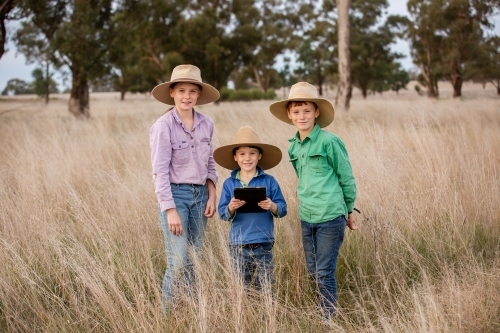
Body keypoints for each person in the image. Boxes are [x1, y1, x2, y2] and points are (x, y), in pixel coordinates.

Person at [269, 82, 357, 317]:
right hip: (307, 215)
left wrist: (348, 211)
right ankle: (321, 309)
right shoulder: (293, 147)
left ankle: (327, 318)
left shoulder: (329, 142)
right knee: (313, 270)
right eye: (296, 112)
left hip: (330, 214)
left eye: (307, 110)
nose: (302, 116)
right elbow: (302, 178)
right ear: (289, 114)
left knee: (324, 271)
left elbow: (346, 177)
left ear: (316, 112)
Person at [149, 64, 220, 308]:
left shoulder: (206, 123)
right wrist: (169, 209)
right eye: (181, 91)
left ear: (199, 94)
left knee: (193, 259)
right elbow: (159, 171)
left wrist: (212, 196)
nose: (186, 96)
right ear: (172, 93)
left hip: (201, 196)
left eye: (192, 91)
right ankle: (167, 314)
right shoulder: (163, 125)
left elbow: (210, 163)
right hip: (176, 196)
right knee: (177, 260)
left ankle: (189, 310)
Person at [214, 126, 287, 291]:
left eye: (252, 153)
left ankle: (266, 316)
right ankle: (245, 316)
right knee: (242, 289)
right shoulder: (229, 184)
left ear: (259, 155)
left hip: (263, 242)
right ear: (235, 157)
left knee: (265, 288)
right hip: (238, 244)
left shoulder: (269, 181)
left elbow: (282, 209)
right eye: (242, 154)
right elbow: (222, 213)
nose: (247, 158)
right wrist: (231, 208)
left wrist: (272, 206)